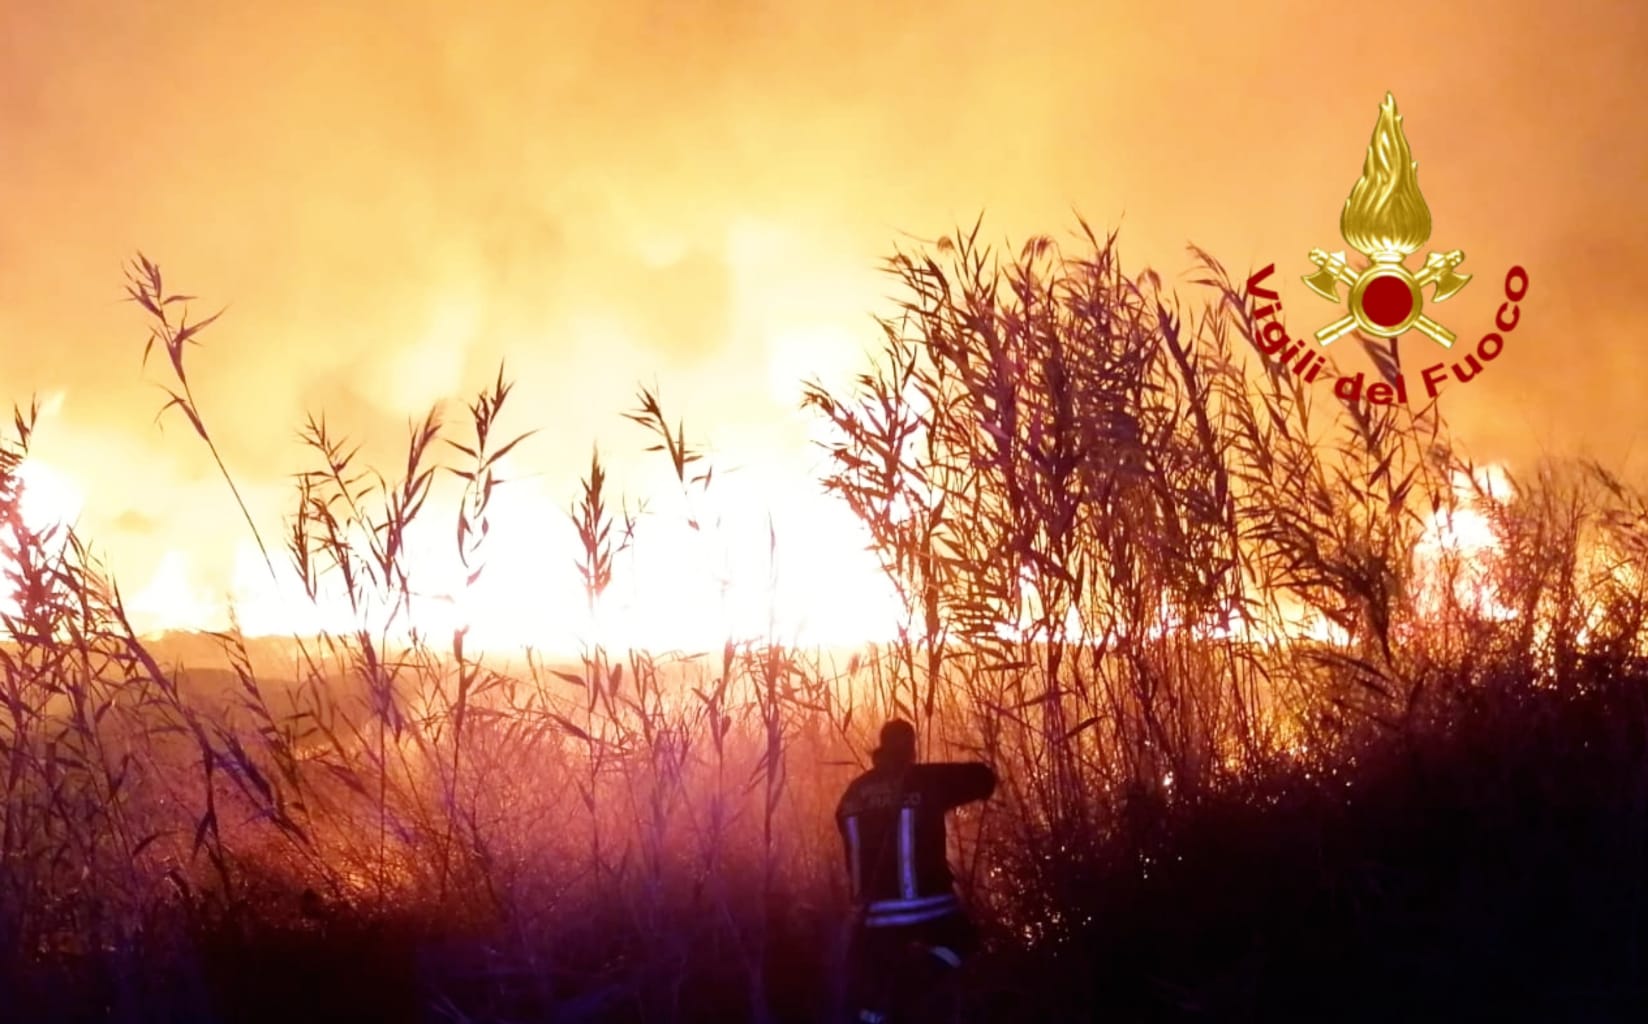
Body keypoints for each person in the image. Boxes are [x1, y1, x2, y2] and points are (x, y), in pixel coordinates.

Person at [835, 719, 997, 1024]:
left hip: (871, 917)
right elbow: (984, 779)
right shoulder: (924, 780)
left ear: (881, 749)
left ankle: (878, 1015)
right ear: (911, 749)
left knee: (872, 994)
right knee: (966, 941)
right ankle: (914, 984)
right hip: (926, 908)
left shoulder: (853, 794)